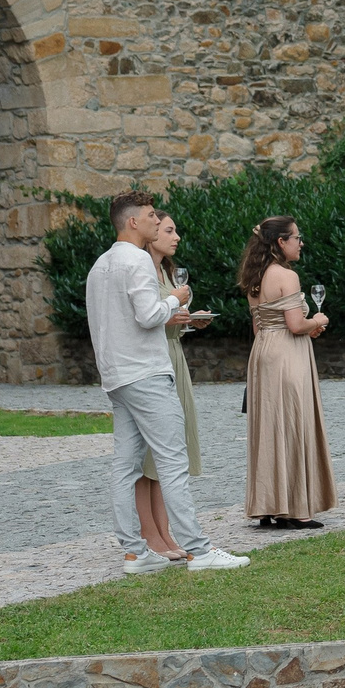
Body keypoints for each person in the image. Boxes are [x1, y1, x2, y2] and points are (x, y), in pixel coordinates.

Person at [86, 193, 244, 575]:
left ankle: (135, 553)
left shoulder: (100, 265)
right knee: (172, 462)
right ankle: (198, 550)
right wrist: (174, 300)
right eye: (150, 216)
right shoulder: (136, 260)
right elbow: (148, 315)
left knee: (125, 466)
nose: (157, 222)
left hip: (116, 376)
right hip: (146, 373)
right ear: (132, 223)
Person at [237, 214, 338, 531]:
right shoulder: (286, 276)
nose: (301, 243)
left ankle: (269, 504)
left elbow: (259, 325)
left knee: (269, 427)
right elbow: (296, 325)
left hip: (264, 353)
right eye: (296, 237)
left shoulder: (255, 276)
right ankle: (295, 509)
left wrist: (303, 328)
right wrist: (318, 322)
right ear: (281, 242)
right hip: (287, 356)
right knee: (293, 424)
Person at [133, 211, 214, 557]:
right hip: (151, 362)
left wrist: (189, 321)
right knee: (147, 456)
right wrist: (174, 313)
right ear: (150, 233)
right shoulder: (140, 269)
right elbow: (144, 318)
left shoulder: (166, 270)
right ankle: (149, 535)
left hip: (173, 357)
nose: (176, 236)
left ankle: (166, 534)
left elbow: (168, 319)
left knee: (168, 452)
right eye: (168, 229)